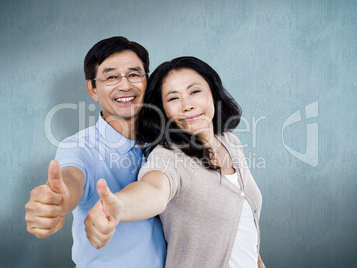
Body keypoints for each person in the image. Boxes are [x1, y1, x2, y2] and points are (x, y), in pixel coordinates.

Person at [85, 56, 265, 267]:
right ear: (163, 111)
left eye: (195, 92)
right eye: (173, 99)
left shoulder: (230, 142)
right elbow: (154, 190)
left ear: (213, 92)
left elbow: (244, 230)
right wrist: (118, 207)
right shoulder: (168, 156)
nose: (187, 105)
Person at [25, 36, 166, 268]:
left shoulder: (165, 142)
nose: (125, 86)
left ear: (147, 81)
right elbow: (71, 178)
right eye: (111, 77)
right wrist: (59, 200)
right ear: (92, 88)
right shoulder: (79, 147)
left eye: (134, 74)